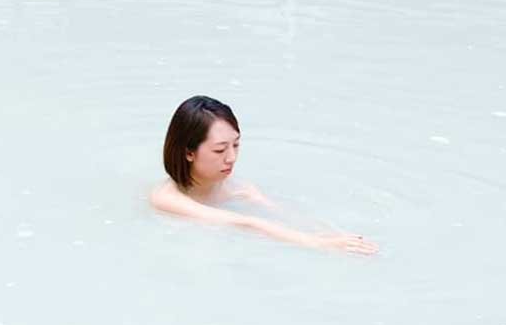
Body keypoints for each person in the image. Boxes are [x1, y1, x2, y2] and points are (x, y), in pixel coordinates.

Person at [149, 95, 378, 255]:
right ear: (189, 152)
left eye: (236, 145)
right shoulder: (167, 200)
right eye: (220, 150)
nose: (231, 158)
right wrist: (318, 244)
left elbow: (277, 211)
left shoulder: (234, 187)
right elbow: (247, 223)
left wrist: (334, 235)